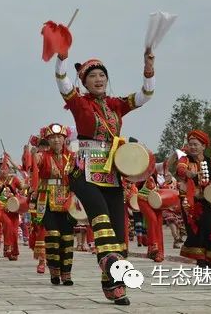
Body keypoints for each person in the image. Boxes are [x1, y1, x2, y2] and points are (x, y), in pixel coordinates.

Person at [55, 47, 155, 305]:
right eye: (93, 76)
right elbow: (63, 83)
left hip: (111, 173)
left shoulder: (115, 105)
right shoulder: (79, 103)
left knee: (119, 232)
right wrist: (61, 61)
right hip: (85, 171)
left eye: (102, 75)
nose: (99, 79)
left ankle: (112, 284)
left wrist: (148, 68)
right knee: (100, 216)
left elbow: (145, 96)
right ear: (85, 82)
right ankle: (111, 266)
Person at [175, 129, 211, 268]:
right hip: (189, 201)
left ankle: (208, 259)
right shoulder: (185, 159)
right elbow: (180, 169)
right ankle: (200, 260)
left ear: (203, 146)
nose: (192, 147)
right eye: (190, 144)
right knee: (195, 228)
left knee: (208, 227)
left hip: (206, 200)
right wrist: (188, 173)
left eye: (196, 144)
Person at [35, 124, 77, 285]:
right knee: (52, 236)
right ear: (48, 140)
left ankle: (67, 273)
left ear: (65, 139)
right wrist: (32, 155)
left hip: (67, 198)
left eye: (59, 137)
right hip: (47, 199)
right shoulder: (42, 156)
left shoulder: (73, 157)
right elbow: (32, 166)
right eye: (52, 137)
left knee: (67, 238)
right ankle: (54, 272)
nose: (56, 140)